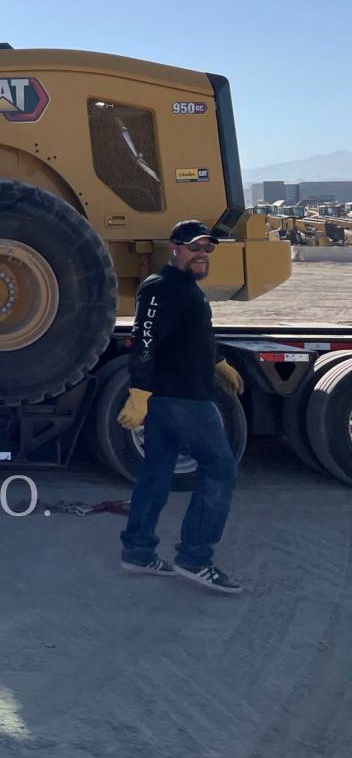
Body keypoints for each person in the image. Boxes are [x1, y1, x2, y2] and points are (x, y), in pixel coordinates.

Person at [117, 219, 245, 594]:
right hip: (182, 399)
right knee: (221, 470)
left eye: (207, 249)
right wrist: (139, 393)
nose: (202, 254)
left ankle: (138, 553)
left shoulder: (187, 289)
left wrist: (217, 360)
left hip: (178, 395)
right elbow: (144, 340)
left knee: (157, 471)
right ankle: (194, 557)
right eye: (194, 247)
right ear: (174, 247)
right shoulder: (161, 287)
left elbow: (192, 336)